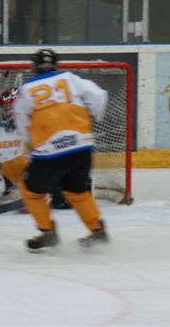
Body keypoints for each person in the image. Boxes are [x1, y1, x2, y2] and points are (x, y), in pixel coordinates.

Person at [13, 48, 109, 251]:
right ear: (55, 64)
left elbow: (21, 122)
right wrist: (92, 118)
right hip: (82, 146)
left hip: (49, 153)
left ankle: (47, 232)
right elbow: (99, 95)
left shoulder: (26, 89)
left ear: (34, 66)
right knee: (77, 191)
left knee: (31, 191)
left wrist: (32, 145)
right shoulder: (71, 78)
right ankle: (97, 231)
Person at [0, 87, 70, 209]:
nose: (7, 113)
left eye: (10, 109)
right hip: (17, 181)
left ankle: (58, 192)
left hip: (46, 178)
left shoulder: (40, 124)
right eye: (5, 109)